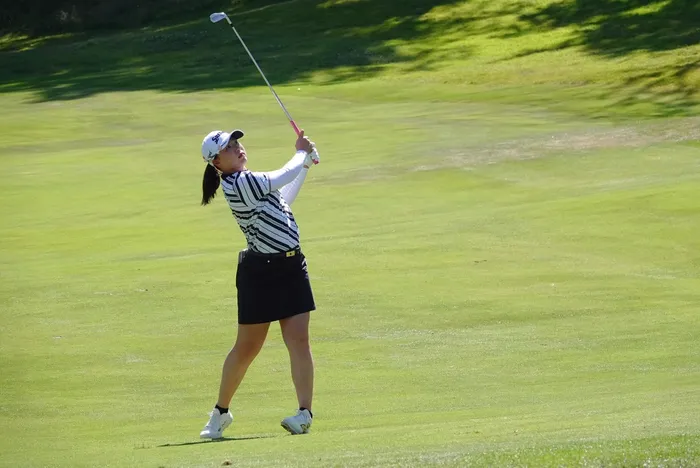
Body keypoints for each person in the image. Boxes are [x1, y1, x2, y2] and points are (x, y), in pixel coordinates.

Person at [198, 128, 320, 438]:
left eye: (236, 143)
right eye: (228, 148)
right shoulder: (239, 183)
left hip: (292, 266)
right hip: (260, 273)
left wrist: (305, 165)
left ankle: (304, 414)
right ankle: (220, 413)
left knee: (299, 341)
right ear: (217, 163)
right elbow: (282, 175)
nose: (237, 148)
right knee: (247, 347)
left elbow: (283, 200)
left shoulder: (250, 181)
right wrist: (301, 151)